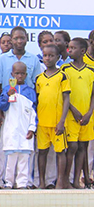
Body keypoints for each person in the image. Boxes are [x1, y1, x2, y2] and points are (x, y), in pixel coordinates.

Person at [0, 26, 41, 188]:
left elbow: (36, 85)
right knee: (6, 149)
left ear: (27, 39)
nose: (19, 41)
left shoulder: (33, 59)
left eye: (22, 38)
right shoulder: (2, 59)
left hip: (26, 109)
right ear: (11, 39)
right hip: (9, 111)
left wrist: (33, 123)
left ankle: (24, 182)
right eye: (16, 38)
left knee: (25, 151)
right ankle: (3, 181)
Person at [35, 44, 70, 189]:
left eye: (51, 55)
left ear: (58, 57)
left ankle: (60, 182)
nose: (47, 58)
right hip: (43, 122)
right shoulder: (39, 78)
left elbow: (67, 99)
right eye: (45, 55)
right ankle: (42, 182)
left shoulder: (62, 76)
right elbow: (38, 100)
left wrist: (62, 121)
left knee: (60, 152)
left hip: (57, 123)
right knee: (42, 152)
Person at [61, 38, 94, 189]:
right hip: (71, 115)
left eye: (73, 48)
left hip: (87, 116)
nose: (69, 50)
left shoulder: (91, 70)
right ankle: (65, 179)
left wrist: (89, 113)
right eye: (69, 48)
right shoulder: (65, 69)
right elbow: (63, 94)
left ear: (82, 51)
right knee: (72, 146)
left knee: (83, 146)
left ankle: (76, 180)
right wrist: (72, 109)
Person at [0, 62, 37, 190]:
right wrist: (7, 95)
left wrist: (32, 128)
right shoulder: (7, 89)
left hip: (25, 131)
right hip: (11, 130)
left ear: (26, 75)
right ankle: (8, 182)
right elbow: (2, 107)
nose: (19, 76)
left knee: (24, 159)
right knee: (10, 159)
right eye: (17, 73)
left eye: (22, 74)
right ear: (12, 74)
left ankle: (22, 183)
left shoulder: (30, 92)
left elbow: (34, 112)